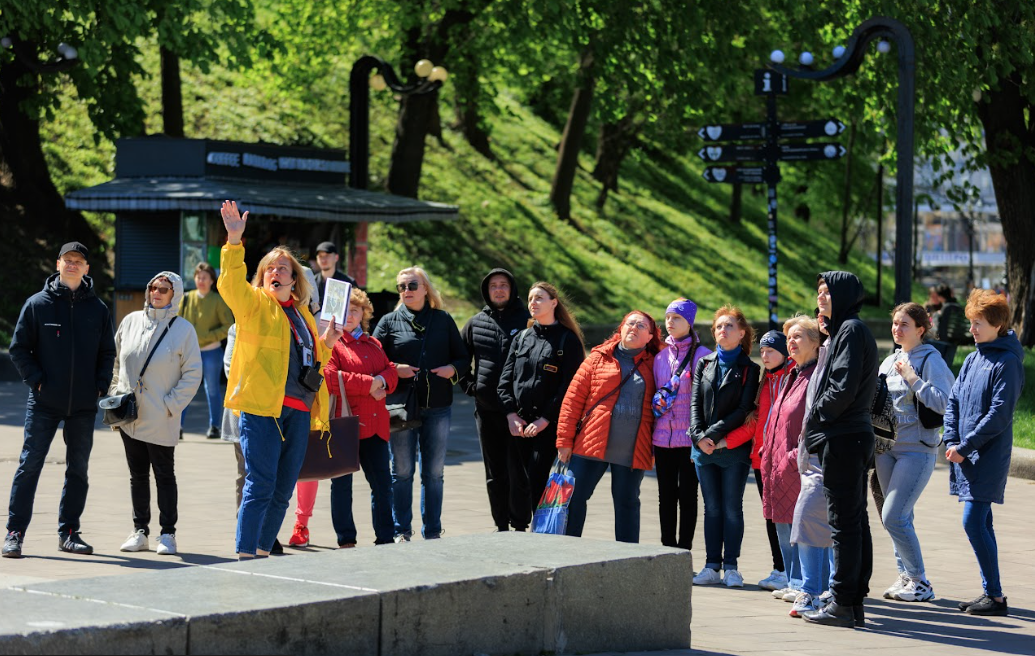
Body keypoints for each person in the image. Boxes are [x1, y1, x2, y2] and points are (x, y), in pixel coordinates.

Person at [218, 201, 342, 560]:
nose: (276, 272)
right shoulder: (253, 304)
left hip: (299, 410)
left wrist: (328, 346)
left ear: (294, 278)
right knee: (260, 484)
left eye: (283, 268)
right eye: (270, 267)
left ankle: (261, 553)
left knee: (283, 490)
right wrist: (234, 242)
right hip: (262, 408)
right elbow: (229, 284)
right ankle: (244, 555)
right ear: (262, 276)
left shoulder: (302, 314)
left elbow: (312, 362)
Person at [3, 242, 116, 559]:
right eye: (68, 260)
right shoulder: (38, 304)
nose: (72, 265)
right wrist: (37, 381)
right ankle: (15, 533)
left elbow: (107, 352)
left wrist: (99, 385)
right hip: (44, 402)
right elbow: (19, 349)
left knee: (78, 470)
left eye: (78, 261)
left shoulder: (98, 310)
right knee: (30, 466)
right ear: (58, 264)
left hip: (82, 405)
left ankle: (69, 533)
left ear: (86, 268)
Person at [801, 271, 877, 628]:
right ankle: (852, 600)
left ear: (844, 295)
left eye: (826, 291)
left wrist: (815, 417)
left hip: (844, 437)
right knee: (854, 520)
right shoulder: (848, 330)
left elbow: (841, 389)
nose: (820, 297)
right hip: (851, 436)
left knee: (843, 525)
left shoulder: (850, 330)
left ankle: (843, 603)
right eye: (818, 291)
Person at [944, 289, 1024, 617]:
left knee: (973, 522)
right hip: (965, 453)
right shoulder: (975, 357)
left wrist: (965, 446)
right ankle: (992, 593)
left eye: (979, 323)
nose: (972, 329)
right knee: (982, 522)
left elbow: (1000, 414)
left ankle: (995, 596)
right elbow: (954, 400)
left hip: (985, 455)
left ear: (998, 324)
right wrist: (951, 438)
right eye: (972, 323)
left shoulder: (1007, 361)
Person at [373, 267, 468, 541]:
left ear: (425, 288)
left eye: (412, 285)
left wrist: (452, 369)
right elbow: (373, 359)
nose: (407, 291)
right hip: (401, 406)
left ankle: (433, 531)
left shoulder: (443, 319)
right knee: (401, 472)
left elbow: (462, 357)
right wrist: (394, 368)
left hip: (438, 405)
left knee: (434, 473)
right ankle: (402, 530)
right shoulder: (389, 321)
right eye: (401, 287)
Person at [112, 272, 202, 556]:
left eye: (164, 288)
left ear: (175, 293)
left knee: (164, 474)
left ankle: (168, 533)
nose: (156, 292)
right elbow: (116, 360)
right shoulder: (130, 321)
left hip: (161, 415)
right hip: (130, 416)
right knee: (136, 474)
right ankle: (140, 531)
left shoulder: (184, 329)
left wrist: (170, 405)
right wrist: (115, 392)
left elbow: (193, 374)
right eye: (153, 287)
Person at [556, 311, 660, 543]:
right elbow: (572, 401)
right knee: (573, 497)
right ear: (621, 329)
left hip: (632, 449)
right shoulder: (597, 358)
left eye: (641, 326)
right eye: (630, 323)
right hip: (590, 443)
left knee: (627, 503)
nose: (634, 327)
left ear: (650, 336)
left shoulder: (656, 364)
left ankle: (627, 557)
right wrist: (564, 441)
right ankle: (567, 548)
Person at [876, 303, 955, 603]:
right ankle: (906, 577)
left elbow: (945, 402)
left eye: (904, 324)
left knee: (893, 515)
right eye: (895, 323)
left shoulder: (930, 359)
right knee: (896, 517)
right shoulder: (889, 361)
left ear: (921, 329)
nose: (897, 329)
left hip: (916, 450)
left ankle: (921, 581)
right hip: (885, 450)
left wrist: (913, 378)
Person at [498, 282, 585, 528]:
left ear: (554, 303)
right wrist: (510, 414)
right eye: (530, 299)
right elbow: (505, 380)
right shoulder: (522, 337)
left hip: (549, 426)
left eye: (539, 298)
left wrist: (545, 419)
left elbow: (569, 388)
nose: (533, 303)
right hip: (518, 424)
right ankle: (517, 529)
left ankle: (542, 533)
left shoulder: (567, 341)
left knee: (539, 481)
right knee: (516, 481)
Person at [689, 305, 760, 588]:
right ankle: (710, 566)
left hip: (732, 451)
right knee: (712, 508)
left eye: (729, 326)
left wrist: (714, 435)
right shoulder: (704, 363)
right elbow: (695, 402)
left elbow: (744, 409)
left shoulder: (750, 369)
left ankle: (731, 566)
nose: (723, 330)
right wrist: (698, 436)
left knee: (732, 508)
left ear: (742, 333)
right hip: (703, 450)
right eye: (719, 326)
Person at [322, 288, 399, 547]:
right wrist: (370, 384)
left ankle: (385, 537)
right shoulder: (331, 344)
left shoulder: (373, 343)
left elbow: (391, 371)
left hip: (376, 427)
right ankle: (346, 539)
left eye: (355, 310)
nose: (350, 315)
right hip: (346, 425)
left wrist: (381, 380)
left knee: (383, 486)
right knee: (342, 486)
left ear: (364, 313)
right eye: (345, 310)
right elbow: (330, 378)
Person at [459, 268, 531, 532]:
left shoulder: (528, 320)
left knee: (519, 472)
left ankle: (520, 523)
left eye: (503, 285)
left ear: (512, 289)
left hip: (521, 412)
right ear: (486, 292)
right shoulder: (476, 323)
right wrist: (470, 386)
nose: (498, 290)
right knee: (495, 473)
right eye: (493, 286)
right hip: (487, 411)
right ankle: (501, 525)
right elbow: (459, 357)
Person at [760, 316, 823, 616]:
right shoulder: (791, 375)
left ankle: (807, 584)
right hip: (777, 462)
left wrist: (791, 455)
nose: (791, 342)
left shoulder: (816, 377)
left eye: (798, 336)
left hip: (799, 463)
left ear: (816, 341)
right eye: (789, 338)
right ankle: (793, 578)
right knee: (783, 522)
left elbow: (811, 423)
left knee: (802, 524)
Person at [729, 329, 794, 591]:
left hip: (785, 459)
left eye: (771, 351)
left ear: (785, 353)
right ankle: (780, 569)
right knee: (771, 515)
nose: (764, 355)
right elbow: (754, 423)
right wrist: (723, 441)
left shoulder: (794, 377)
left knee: (789, 515)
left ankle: (794, 571)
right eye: (762, 351)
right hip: (761, 459)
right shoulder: (764, 381)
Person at [651, 298, 711, 552]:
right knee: (666, 497)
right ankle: (667, 550)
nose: (670, 322)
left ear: (690, 322)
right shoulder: (660, 357)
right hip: (662, 439)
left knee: (687, 496)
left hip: (689, 440)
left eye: (677, 318)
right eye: (668, 317)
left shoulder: (704, 356)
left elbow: (708, 400)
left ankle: (684, 551)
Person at [178, 261, 234, 439]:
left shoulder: (218, 300)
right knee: (184, 388)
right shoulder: (186, 298)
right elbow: (176, 322)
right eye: (198, 277)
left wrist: (207, 336)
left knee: (212, 390)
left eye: (205, 278)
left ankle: (215, 426)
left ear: (212, 280)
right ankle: (177, 426)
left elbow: (228, 326)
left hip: (212, 351)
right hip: (188, 352)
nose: (201, 280)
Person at [312, 241, 357, 307]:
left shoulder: (348, 283)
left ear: (336, 257)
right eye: (320, 256)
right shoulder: (312, 283)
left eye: (327, 255)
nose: (323, 260)